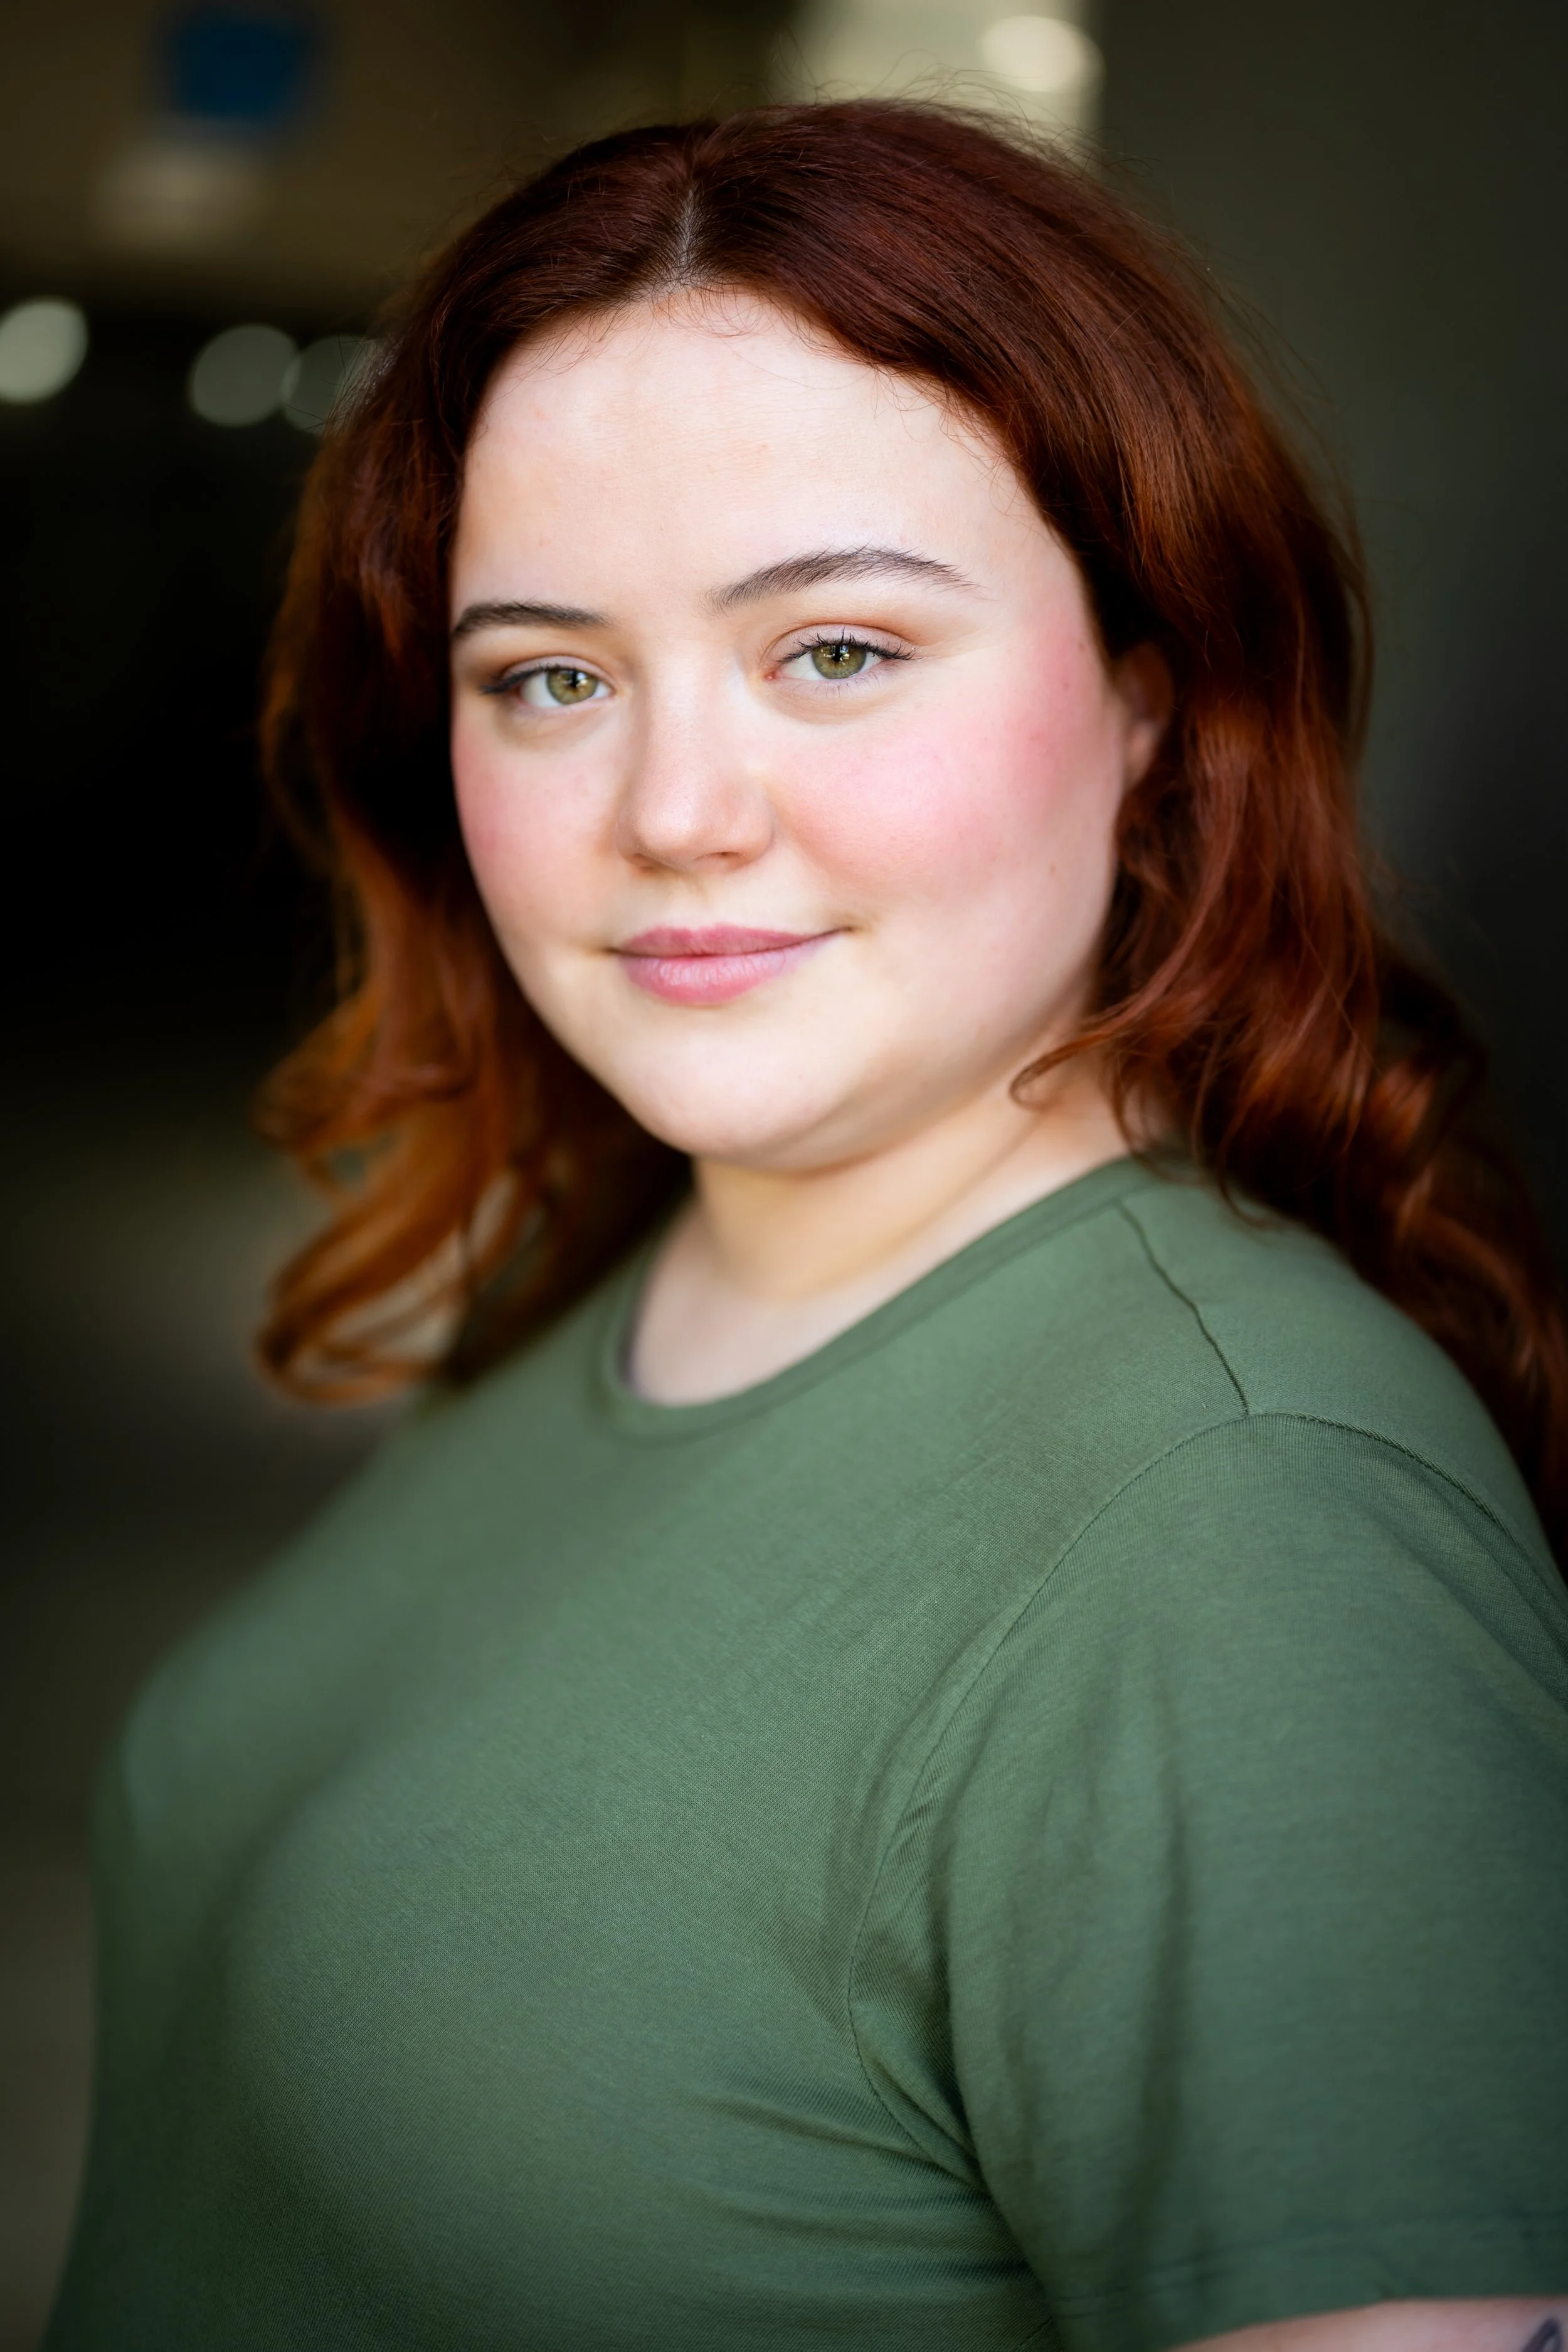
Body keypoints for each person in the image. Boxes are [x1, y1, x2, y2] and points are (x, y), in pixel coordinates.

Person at [45, 101, 1568, 2352]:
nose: (670, 810)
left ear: (1151, 699)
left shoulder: (1249, 1528)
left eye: (836, 649)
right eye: (549, 677)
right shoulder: (609, 1267)